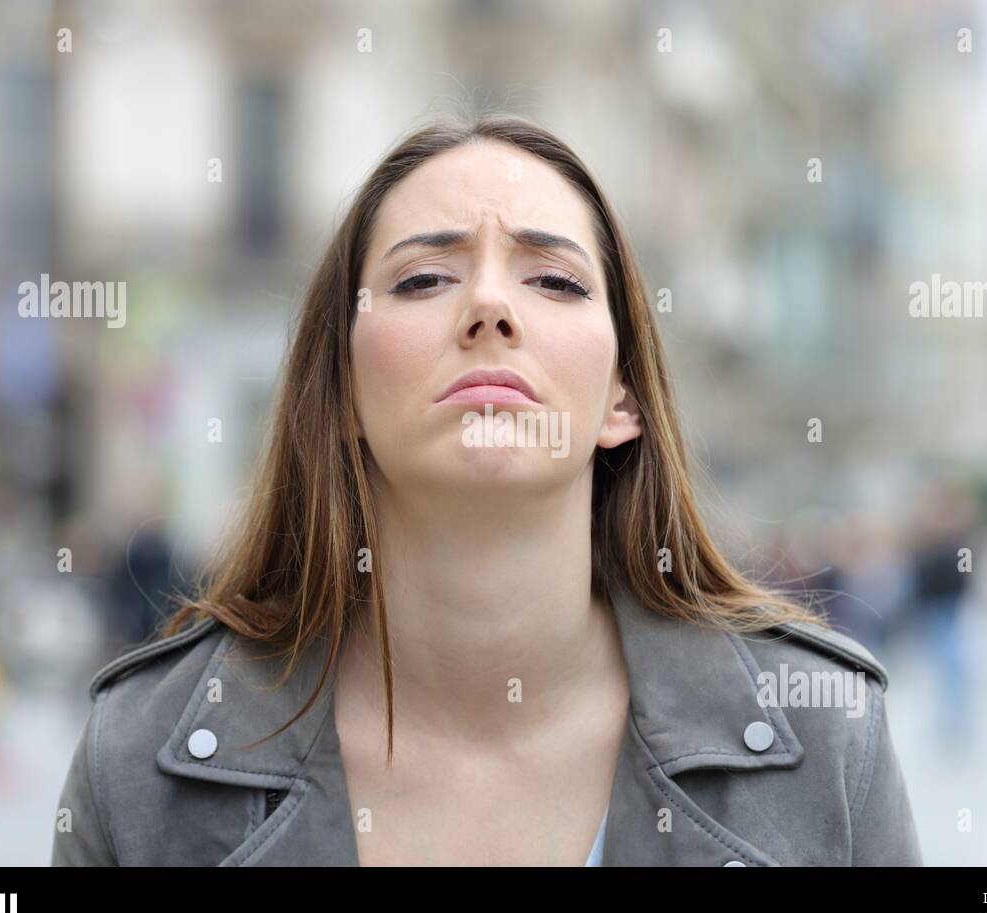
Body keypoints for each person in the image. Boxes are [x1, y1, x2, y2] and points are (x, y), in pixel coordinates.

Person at [51, 113, 922, 866]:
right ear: (343, 391)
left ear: (623, 398)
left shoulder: (827, 739)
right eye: (423, 279)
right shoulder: (139, 760)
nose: (490, 307)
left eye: (555, 280)